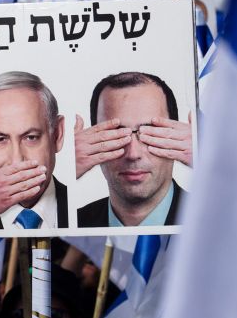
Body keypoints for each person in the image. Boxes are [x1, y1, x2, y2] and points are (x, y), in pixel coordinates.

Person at [75, 71, 192, 228]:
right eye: (115, 134)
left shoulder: (220, 218)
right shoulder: (71, 222)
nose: (133, 154)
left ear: (176, 134)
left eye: (150, 133)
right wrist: (64, 168)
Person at [0, 72, 69, 230]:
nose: (17, 160)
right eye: (0, 140)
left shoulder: (89, 215)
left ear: (57, 134)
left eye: (31, 137)